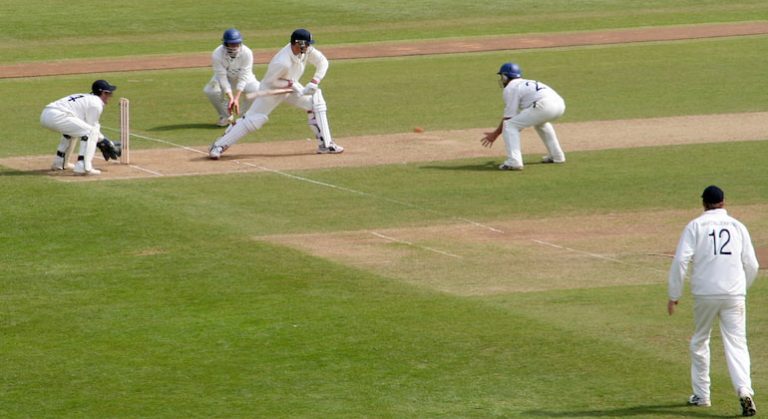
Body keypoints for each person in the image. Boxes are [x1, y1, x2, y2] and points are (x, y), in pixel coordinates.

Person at [668, 185, 759, 417]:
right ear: (724, 202)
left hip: (705, 294)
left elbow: (680, 261)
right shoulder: (738, 226)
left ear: (703, 203)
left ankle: (702, 395)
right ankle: (745, 391)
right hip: (734, 294)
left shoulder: (695, 226)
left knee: (700, 341)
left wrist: (674, 295)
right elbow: (752, 265)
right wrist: (740, 289)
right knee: (737, 344)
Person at [208, 28, 343, 159]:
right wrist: (292, 85)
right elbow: (271, 81)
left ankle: (326, 144)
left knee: (315, 102)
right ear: (297, 43)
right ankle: (218, 146)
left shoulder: (305, 51)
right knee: (254, 120)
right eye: (306, 44)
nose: (308, 47)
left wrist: (314, 81)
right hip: (271, 91)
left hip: (290, 88)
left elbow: (323, 62)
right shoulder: (282, 62)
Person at [480, 62, 566, 171]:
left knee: (510, 125)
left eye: (502, 76)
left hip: (544, 105)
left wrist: (495, 134)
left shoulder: (511, 87)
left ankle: (514, 161)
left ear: (506, 76)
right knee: (540, 124)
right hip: (560, 104)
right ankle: (557, 156)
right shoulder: (527, 82)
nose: (502, 79)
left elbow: (509, 117)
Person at [40, 79, 117, 175]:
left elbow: (84, 126)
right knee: (90, 132)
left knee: (75, 131)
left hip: (46, 114)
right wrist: (104, 141)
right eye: (109, 94)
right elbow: (92, 128)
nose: (110, 97)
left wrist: (103, 141)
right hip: (57, 115)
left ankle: (60, 163)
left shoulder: (87, 98)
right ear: (103, 93)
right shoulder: (96, 104)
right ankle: (83, 166)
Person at [203, 28, 261, 126]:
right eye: (231, 44)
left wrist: (236, 98)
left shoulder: (247, 52)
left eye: (236, 43)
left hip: (243, 78)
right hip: (226, 78)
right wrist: (231, 98)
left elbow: (244, 75)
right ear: (225, 44)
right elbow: (222, 77)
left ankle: (244, 116)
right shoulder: (217, 54)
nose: (234, 46)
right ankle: (226, 116)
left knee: (257, 89)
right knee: (210, 90)